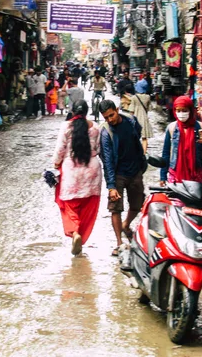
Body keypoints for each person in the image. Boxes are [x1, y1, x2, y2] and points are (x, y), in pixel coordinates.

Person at [52, 100, 102, 256]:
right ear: (87, 112)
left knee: (69, 206)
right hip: (92, 171)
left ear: (72, 111)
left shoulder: (66, 127)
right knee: (88, 206)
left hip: (71, 172)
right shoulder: (95, 128)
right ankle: (81, 235)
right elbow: (98, 149)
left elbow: (60, 150)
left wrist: (55, 165)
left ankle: (75, 233)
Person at [98, 99, 146, 256]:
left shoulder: (131, 121)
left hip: (135, 171)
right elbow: (107, 161)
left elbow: (138, 139)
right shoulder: (106, 132)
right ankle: (119, 243)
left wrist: (141, 165)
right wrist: (111, 186)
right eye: (106, 118)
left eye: (111, 115)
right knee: (115, 208)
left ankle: (126, 225)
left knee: (137, 205)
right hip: (117, 174)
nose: (110, 120)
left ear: (117, 109)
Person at [160, 96, 202, 186]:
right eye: (178, 111)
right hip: (176, 174)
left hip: (195, 173)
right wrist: (163, 176)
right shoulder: (171, 128)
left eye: (184, 110)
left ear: (190, 111)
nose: (181, 114)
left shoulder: (200, 127)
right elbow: (166, 153)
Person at [128, 79, 153, 154]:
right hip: (144, 119)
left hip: (136, 119)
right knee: (144, 138)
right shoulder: (147, 97)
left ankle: (135, 153)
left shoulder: (134, 98)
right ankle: (144, 153)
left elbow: (131, 111)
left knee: (134, 138)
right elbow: (149, 108)